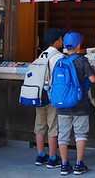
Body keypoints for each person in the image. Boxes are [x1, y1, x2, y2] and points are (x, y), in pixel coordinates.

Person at [55, 32, 95, 175]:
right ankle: (79, 164)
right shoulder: (82, 61)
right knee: (80, 134)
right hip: (80, 103)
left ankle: (65, 164)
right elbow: (92, 79)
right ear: (79, 45)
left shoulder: (60, 61)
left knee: (63, 135)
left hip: (63, 103)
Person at [33, 28, 64, 168]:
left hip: (39, 94)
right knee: (53, 126)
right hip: (52, 96)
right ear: (58, 41)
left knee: (40, 125)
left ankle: (40, 155)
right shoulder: (59, 57)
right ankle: (52, 157)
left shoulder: (41, 55)